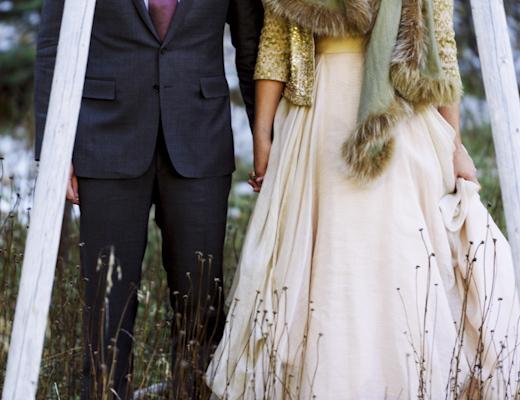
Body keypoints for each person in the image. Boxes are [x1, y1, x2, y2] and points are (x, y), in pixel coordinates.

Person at [206, 0, 520, 398]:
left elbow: (441, 49)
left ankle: (406, 380)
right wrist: (262, 135)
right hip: (317, 120)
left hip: (400, 117)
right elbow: (274, 47)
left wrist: (455, 145)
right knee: (329, 258)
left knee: (401, 254)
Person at [34, 0, 263, 398]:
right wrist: (54, 149)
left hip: (200, 142)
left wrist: (271, 140)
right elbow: (54, 45)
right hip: (105, 142)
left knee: (201, 304)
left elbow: (251, 47)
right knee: (107, 305)